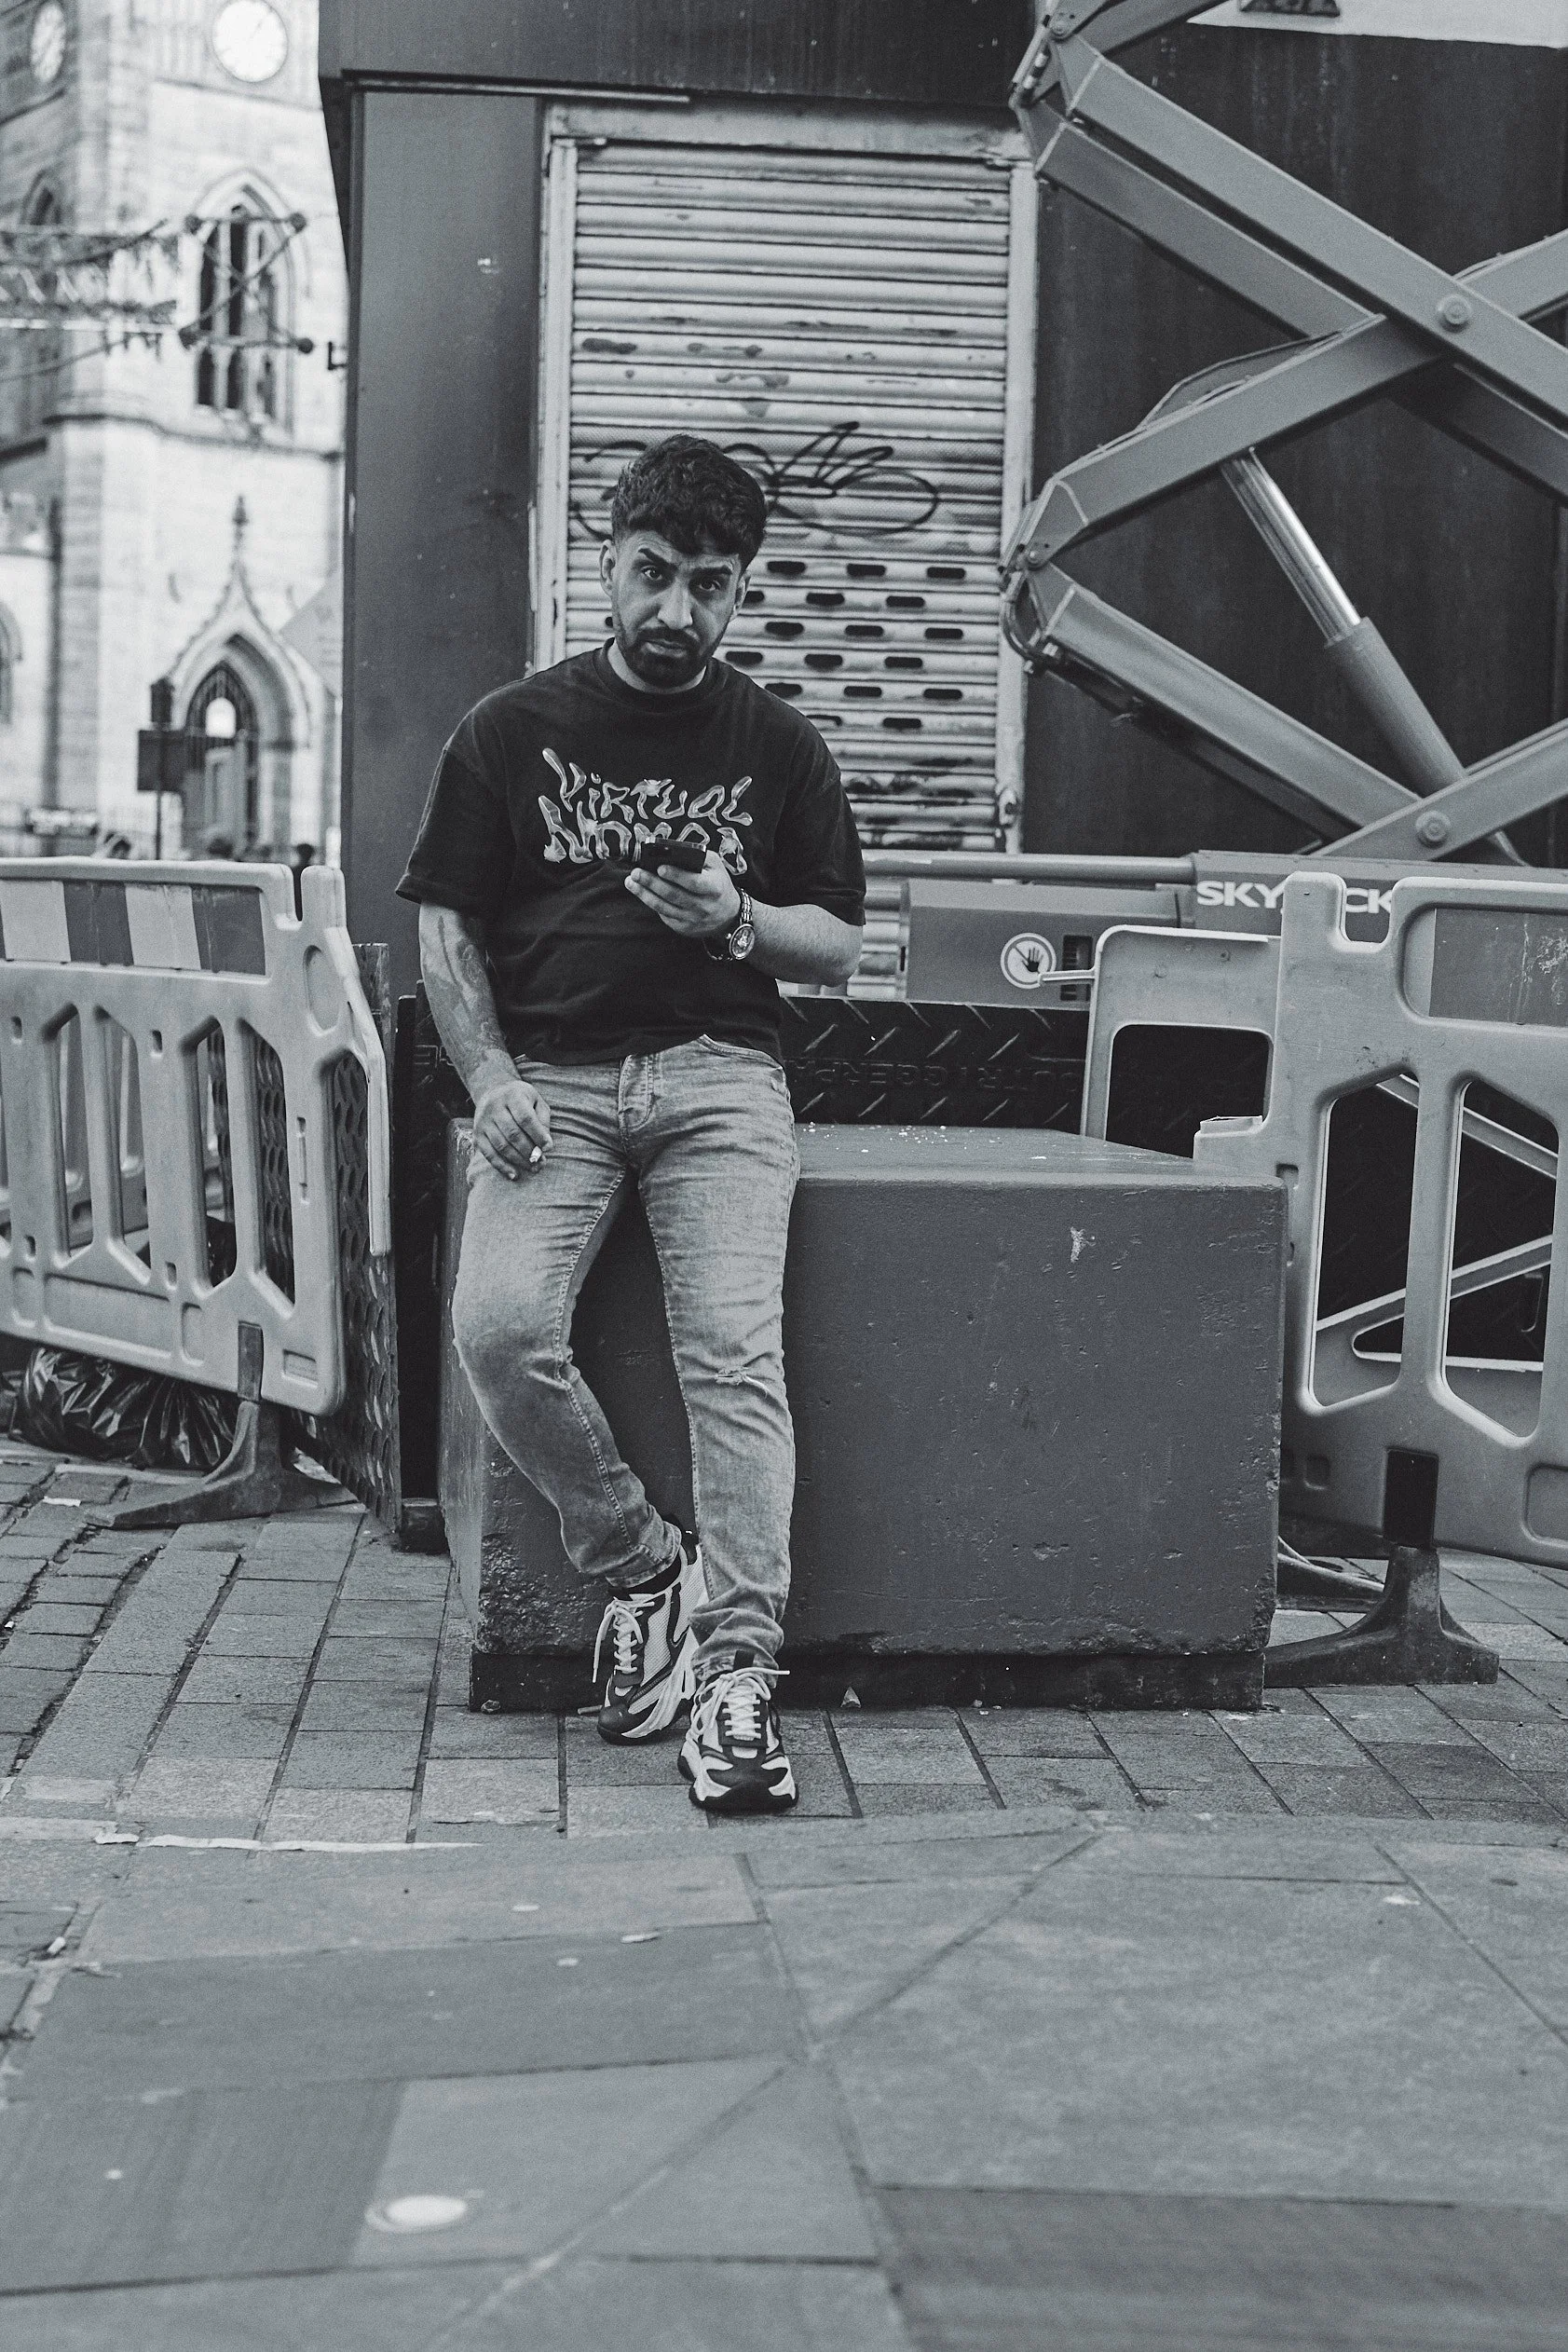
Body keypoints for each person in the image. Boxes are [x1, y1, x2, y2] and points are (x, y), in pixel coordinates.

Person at [401, 435, 865, 1812]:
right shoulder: (508, 730)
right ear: (605, 563)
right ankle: (642, 1565)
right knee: (498, 1327)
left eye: (708, 586)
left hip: (721, 1080)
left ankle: (737, 1674)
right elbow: (444, 927)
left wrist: (739, 919)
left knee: (732, 1353)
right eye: (653, 574)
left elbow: (839, 947)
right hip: (551, 1084)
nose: (676, 610)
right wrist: (489, 1077)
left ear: (740, 591)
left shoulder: (777, 746)